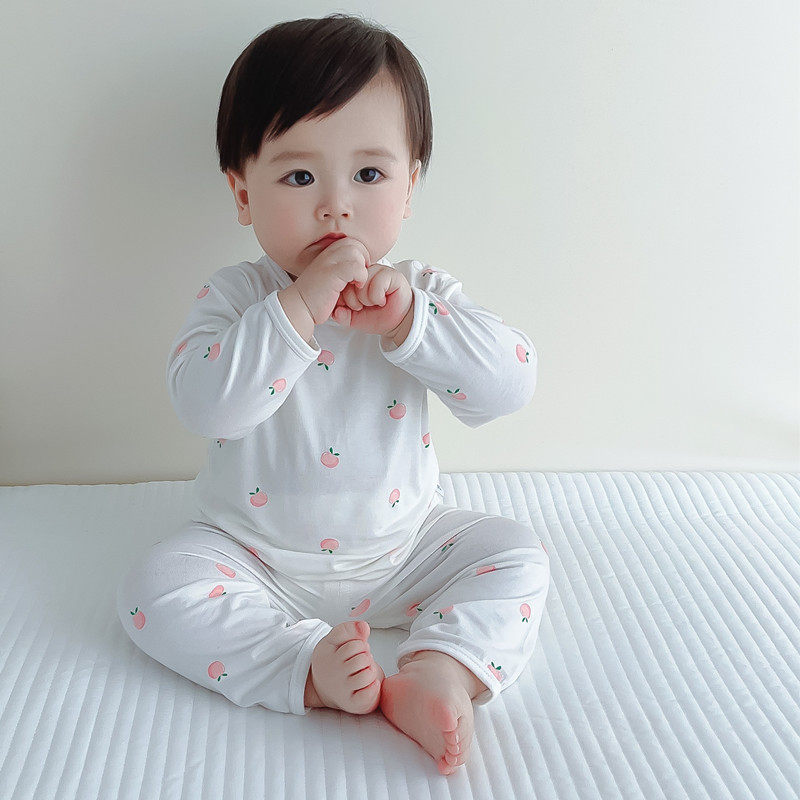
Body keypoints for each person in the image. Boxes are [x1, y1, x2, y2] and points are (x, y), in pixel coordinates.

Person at [117, 13, 550, 777]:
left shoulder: (419, 293)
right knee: (154, 589)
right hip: (251, 555)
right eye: (299, 177)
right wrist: (297, 309)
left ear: (409, 188)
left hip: (403, 550)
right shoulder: (237, 299)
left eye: (370, 175)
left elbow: (509, 386)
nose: (336, 206)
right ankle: (307, 670)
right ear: (242, 193)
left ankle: (439, 670)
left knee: (516, 553)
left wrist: (414, 324)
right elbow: (204, 403)